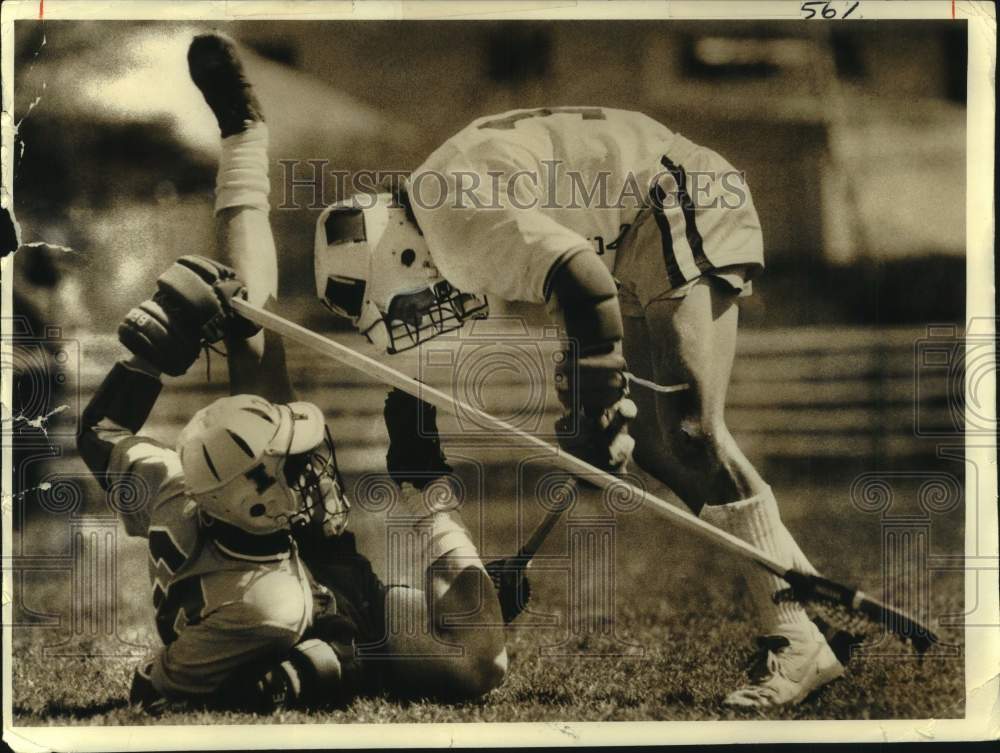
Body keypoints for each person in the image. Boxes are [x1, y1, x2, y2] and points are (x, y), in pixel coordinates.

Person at [316, 105, 844, 708]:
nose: (421, 315)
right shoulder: (443, 201)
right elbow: (572, 284)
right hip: (639, 222)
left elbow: (582, 279)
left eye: (405, 306)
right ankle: (812, 614)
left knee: (691, 430)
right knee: (653, 441)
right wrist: (589, 404)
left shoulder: (449, 223)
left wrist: (596, 397)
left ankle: (795, 634)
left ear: (396, 257)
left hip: (666, 199)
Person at [75, 34, 508, 713]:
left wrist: (146, 360)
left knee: (248, 317)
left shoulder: (181, 486)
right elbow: (151, 690)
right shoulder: (264, 606)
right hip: (272, 609)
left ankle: (242, 137)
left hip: (293, 565)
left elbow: (99, 430)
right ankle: (427, 501)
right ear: (256, 492)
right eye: (287, 461)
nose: (306, 455)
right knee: (479, 661)